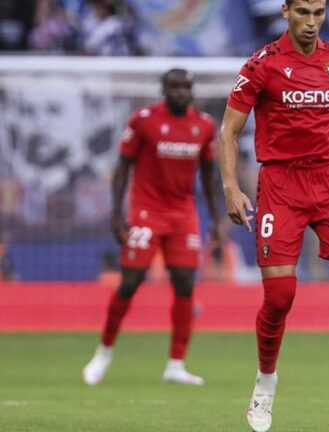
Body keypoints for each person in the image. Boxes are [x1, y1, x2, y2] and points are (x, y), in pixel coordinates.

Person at [217, 1, 329, 431]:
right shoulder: (261, 65)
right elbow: (229, 130)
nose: (311, 22)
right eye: (302, 11)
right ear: (285, 11)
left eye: (319, 12)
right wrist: (231, 186)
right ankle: (265, 386)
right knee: (281, 297)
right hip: (281, 187)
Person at [82, 69, 220, 386]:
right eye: (175, 87)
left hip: (183, 213)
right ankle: (103, 353)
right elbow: (123, 166)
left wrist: (216, 220)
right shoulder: (143, 120)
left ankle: (175, 364)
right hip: (147, 210)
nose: (182, 92)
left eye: (186, 87)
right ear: (164, 90)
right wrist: (118, 214)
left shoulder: (204, 125)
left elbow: (209, 175)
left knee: (185, 283)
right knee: (130, 281)